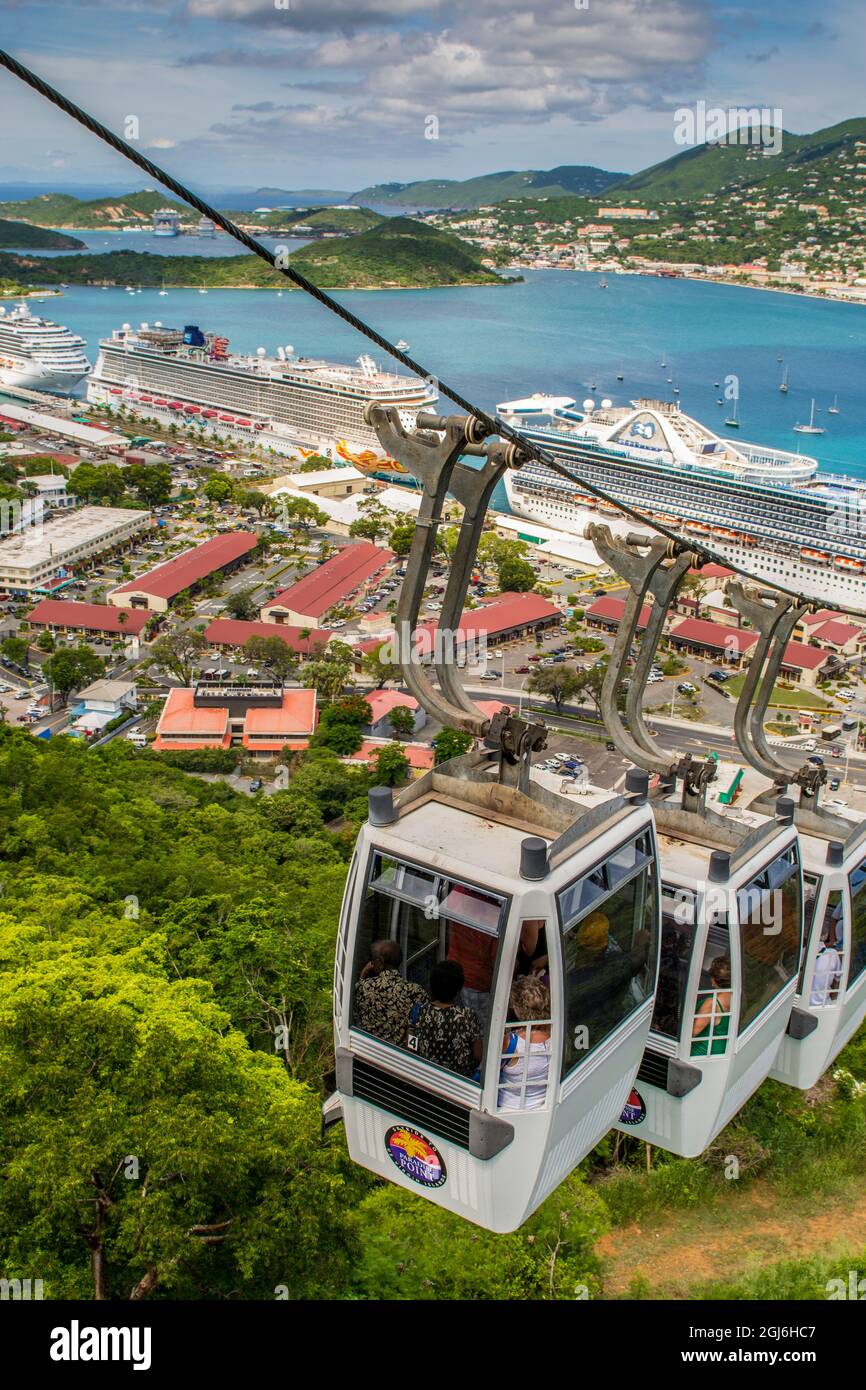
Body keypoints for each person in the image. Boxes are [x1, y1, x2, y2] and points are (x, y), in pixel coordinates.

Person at [409, 960, 482, 1077]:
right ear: (458, 989)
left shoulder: (419, 1012)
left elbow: (410, 1045)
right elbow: (478, 1055)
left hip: (424, 1075)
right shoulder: (468, 1016)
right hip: (458, 1080)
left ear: (432, 984)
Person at [354, 939, 427, 1045]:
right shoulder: (416, 991)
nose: (371, 963)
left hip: (365, 1049)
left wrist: (362, 975)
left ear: (380, 962)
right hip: (399, 1057)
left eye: (372, 959)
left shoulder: (364, 986)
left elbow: (355, 1016)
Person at [498, 976, 551, 1111]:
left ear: (518, 1009)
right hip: (541, 1107)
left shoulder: (509, 1041)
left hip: (506, 1107)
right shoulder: (556, 1036)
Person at [691, 955, 732, 1056]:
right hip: (720, 1052)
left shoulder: (712, 1004)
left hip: (701, 1053)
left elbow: (693, 1032)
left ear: (714, 980)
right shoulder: (736, 997)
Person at [809, 932, 844, 1007]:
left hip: (804, 1003)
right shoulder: (833, 954)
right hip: (825, 1004)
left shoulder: (803, 952)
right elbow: (837, 981)